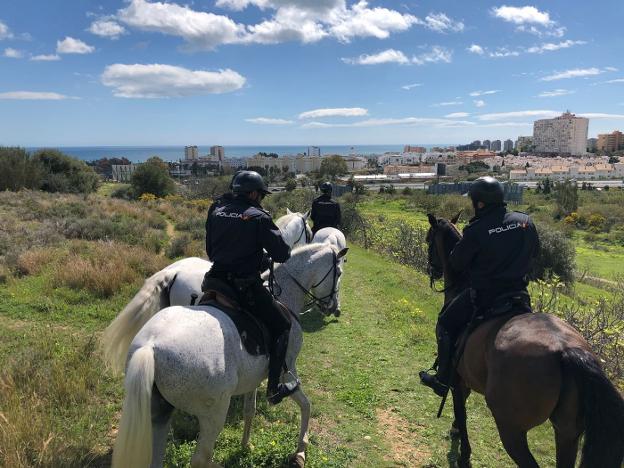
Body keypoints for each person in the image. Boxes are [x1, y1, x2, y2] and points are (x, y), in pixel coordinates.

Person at [420, 176, 540, 397]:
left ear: (480, 203)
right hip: (520, 296)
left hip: (486, 297)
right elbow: (536, 254)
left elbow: (456, 263)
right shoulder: (525, 221)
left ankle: (442, 379)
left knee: (445, 323)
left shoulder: (476, 229)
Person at [203, 170, 298, 404]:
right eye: (261, 196)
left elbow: (211, 249)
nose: (261, 200)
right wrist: (262, 257)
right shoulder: (258, 217)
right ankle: (274, 389)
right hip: (243, 287)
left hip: (214, 280)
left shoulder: (216, 209)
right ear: (254, 193)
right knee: (283, 325)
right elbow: (282, 254)